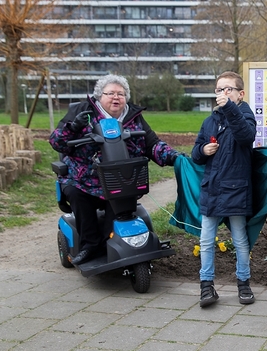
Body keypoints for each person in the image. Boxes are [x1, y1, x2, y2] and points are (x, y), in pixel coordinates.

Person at [49, 74, 180, 266]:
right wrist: (73, 127)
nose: (116, 97)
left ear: (126, 97)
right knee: (77, 195)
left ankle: (111, 242)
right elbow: (56, 142)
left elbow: (152, 144)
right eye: (110, 93)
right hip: (83, 179)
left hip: (121, 178)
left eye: (121, 94)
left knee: (121, 201)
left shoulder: (134, 118)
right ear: (99, 96)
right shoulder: (82, 112)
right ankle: (90, 245)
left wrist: (173, 156)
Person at [191, 71, 257, 307]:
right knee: (206, 240)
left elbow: (245, 136)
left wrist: (230, 108)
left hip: (236, 188)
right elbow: (195, 153)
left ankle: (244, 282)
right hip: (212, 189)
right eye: (219, 90)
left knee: (239, 239)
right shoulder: (210, 120)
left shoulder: (246, 116)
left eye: (228, 89)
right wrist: (203, 151)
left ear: (240, 94)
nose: (222, 93)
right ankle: (206, 285)